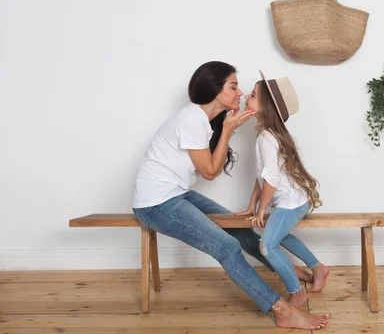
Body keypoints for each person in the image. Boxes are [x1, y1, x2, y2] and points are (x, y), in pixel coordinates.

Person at [131, 61, 330, 330]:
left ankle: (289, 272)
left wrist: (225, 128)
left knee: (242, 231)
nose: (240, 92)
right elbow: (210, 172)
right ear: (215, 90)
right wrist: (226, 130)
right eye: (233, 86)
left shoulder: (204, 121)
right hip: (156, 204)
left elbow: (210, 169)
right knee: (227, 247)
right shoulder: (192, 120)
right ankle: (282, 310)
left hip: (176, 195)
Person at [236, 71, 330, 308]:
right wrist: (252, 204)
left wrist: (262, 209)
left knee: (267, 245)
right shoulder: (266, 134)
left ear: (265, 107)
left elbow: (272, 179)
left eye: (254, 95)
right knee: (277, 236)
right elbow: (262, 176)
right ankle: (318, 268)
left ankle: (297, 292)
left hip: (292, 202)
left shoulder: (267, 137)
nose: (247, 95)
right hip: (296, 199)